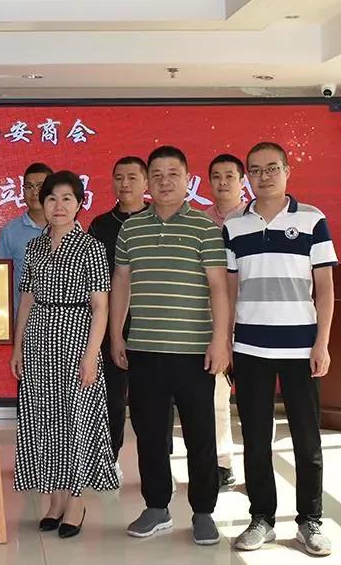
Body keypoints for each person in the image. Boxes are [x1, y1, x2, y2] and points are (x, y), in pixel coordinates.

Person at [109, 145, 229, 546]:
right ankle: (157, 508)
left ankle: (203, 512)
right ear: (147, 181)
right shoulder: (131, 229)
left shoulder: (205, 227)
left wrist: (220, 341)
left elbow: (218, 287)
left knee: (200, 435)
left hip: (194, 351)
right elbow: (121, 283)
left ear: (187, 179)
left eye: (173, 174)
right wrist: (116, 335)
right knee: (149, 434)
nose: (164, 182)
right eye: (156, 175)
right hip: (144, 349)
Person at [225, 142, 336, 556]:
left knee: (307, 440)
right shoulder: (234, 225)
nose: (264, 176)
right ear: (247, 178)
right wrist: (227, 341)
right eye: (255, 170)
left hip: (300, 347)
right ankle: (262, 519)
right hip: (250, 347)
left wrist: (321, 342)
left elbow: (325, 288)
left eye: (272, 168)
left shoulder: (311, 219)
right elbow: (230, 290)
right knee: (255, 440)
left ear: (287, 171)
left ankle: (310, 520)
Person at [12, 170, 117, 540]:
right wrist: (18, 346)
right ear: (42, 202)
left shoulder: (91, 247)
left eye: (67, 198)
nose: (58, 205)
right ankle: (55, 500)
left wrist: (91, 355)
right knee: (45, 419)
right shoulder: (34, 246)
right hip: (39, 341)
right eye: (52, 198)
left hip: (76, 340)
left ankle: (76, 501)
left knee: (76, 421)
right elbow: (26, 299)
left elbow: (101, 307)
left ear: (79, 203)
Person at [86, 156, 149, 484]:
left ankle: (158, 462)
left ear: (146, 182)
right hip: (111, 322)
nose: (125, 184)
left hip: (152, 321)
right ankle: (108, 460)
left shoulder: (157, 220)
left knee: (151, 397)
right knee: (112, 396)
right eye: (119, 177)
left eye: (132, 177)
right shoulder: (100, 225)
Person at [204, 153, 248, 489]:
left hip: (251, 317)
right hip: (212, 318)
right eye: (216, 176)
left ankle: (259, 464)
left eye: (229, 176)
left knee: (254, 398)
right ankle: (222, 462)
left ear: (242, 181)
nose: (223, 182)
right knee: (217, 395)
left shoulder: (253, 218)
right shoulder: (201, 221)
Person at [0, 162, 52, 315]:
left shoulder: (69, 229)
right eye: (29, 186)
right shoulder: (9, 232)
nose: (34, 192)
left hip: (61, 321)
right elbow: (2, 281)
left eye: (40, 186)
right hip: (23, 320)